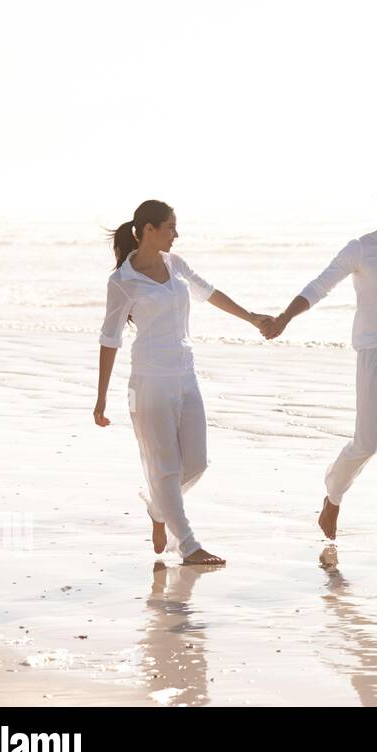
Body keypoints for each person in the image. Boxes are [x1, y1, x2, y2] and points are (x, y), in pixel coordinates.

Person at [263, 177, 377, 552]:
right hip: (375, 356)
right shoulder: (362, 249)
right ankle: (333, 495)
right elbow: (320, 285)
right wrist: (285, 317)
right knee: (367, 442)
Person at [94, 200, 273, 565]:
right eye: (170, 227)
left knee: (196, 463)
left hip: (185, 374)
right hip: (149, 381)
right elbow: (109, 339)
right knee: (165, 467)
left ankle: (158, 509)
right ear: (148, 230)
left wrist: (251, 317)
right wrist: (100, 399)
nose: (176, 234)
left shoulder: (175, 265)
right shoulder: (122, 281)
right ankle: (188, 546)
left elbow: (209, 292)